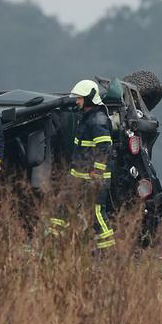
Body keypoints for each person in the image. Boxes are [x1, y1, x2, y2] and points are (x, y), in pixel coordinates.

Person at [48, 79, 116, 251]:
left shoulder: (98, 120)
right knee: (62, 205)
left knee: (96, 214)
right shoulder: (87, 119)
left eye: (80, 98)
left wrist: (97, 174)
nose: (77, 101)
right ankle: (52, 244)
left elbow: (104, 148)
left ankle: (108, 252)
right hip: (78, 178)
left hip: (94, 179)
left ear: (89, 99)